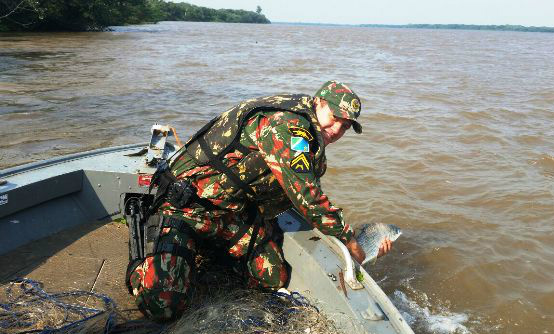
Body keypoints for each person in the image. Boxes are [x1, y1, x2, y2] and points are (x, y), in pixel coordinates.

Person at [126, 81, 393, 321]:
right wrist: (352, 244)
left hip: (231, 213)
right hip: (187, 208)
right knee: (162, 305)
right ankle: (146, 257)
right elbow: (309, 199)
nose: (336, 130)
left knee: (272, 278)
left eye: (345, 126)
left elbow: (300, 194)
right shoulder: (288, 127)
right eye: (335, 118)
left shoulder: (312, 141)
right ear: (319, 103)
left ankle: (204, 250)